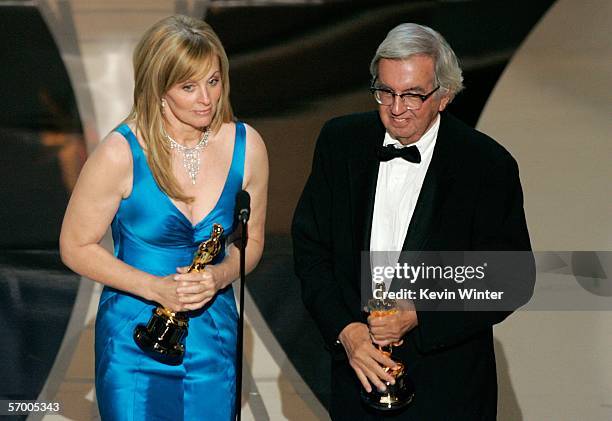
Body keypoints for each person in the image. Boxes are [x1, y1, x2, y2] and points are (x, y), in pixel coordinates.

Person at [292, 23, 534, 420]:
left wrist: (419, 313)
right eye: (385, 91)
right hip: (357, 381)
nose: (396, 107)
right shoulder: (339, 143)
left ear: (444, 95)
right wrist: (346, 332)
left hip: (447, 390)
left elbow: (511, 277)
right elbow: (311, 250)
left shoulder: (486, 166)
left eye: (412, 95)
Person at [60, 15, 268, 420]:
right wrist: (156, 288)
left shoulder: (248, 147)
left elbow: (252, 243)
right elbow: (74, 246)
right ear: (158, 90)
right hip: (134, 336)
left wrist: (220, 277)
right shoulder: (121, 153)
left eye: (213, 80)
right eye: (188, 87)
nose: (206, 98)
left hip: (214, 335)